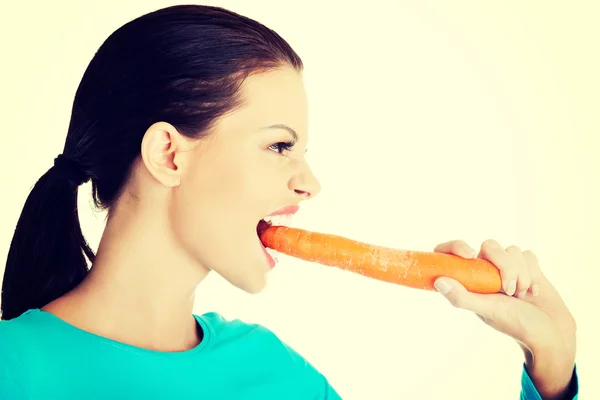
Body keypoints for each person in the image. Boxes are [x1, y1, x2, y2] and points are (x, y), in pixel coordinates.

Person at [0, 4, 579, 399]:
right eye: (279, 145)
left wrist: (551, 366)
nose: (309, 184)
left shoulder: (279, 375)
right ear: (169, 154)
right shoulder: (14, 368)